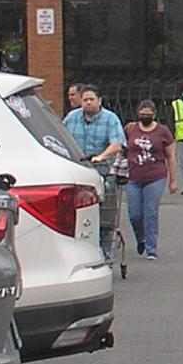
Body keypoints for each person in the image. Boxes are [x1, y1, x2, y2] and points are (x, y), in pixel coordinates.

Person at [64, 87, 128, 265]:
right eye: (85, 100)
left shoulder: (110, 119)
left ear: (99, 100)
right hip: (77, 174)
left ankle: (106, 254)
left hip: (103, 173)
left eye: (91, 99)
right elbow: (60, 140)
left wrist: (101, 157)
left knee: (105, 217)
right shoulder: (71, 118)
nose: (88, 103)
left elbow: (118, 144)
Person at [123, 102, 175, 259]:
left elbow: (170, 156)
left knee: (150, 212)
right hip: (133, 177)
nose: (145, 117)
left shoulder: (163, 131)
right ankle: (141, 238)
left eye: (148, 115)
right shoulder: (130, 129)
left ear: (154, 115)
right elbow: (122, 148)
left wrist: (173, 180)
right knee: (135, 215)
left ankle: (151, 248)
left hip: (155, 177)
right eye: (142, 114)